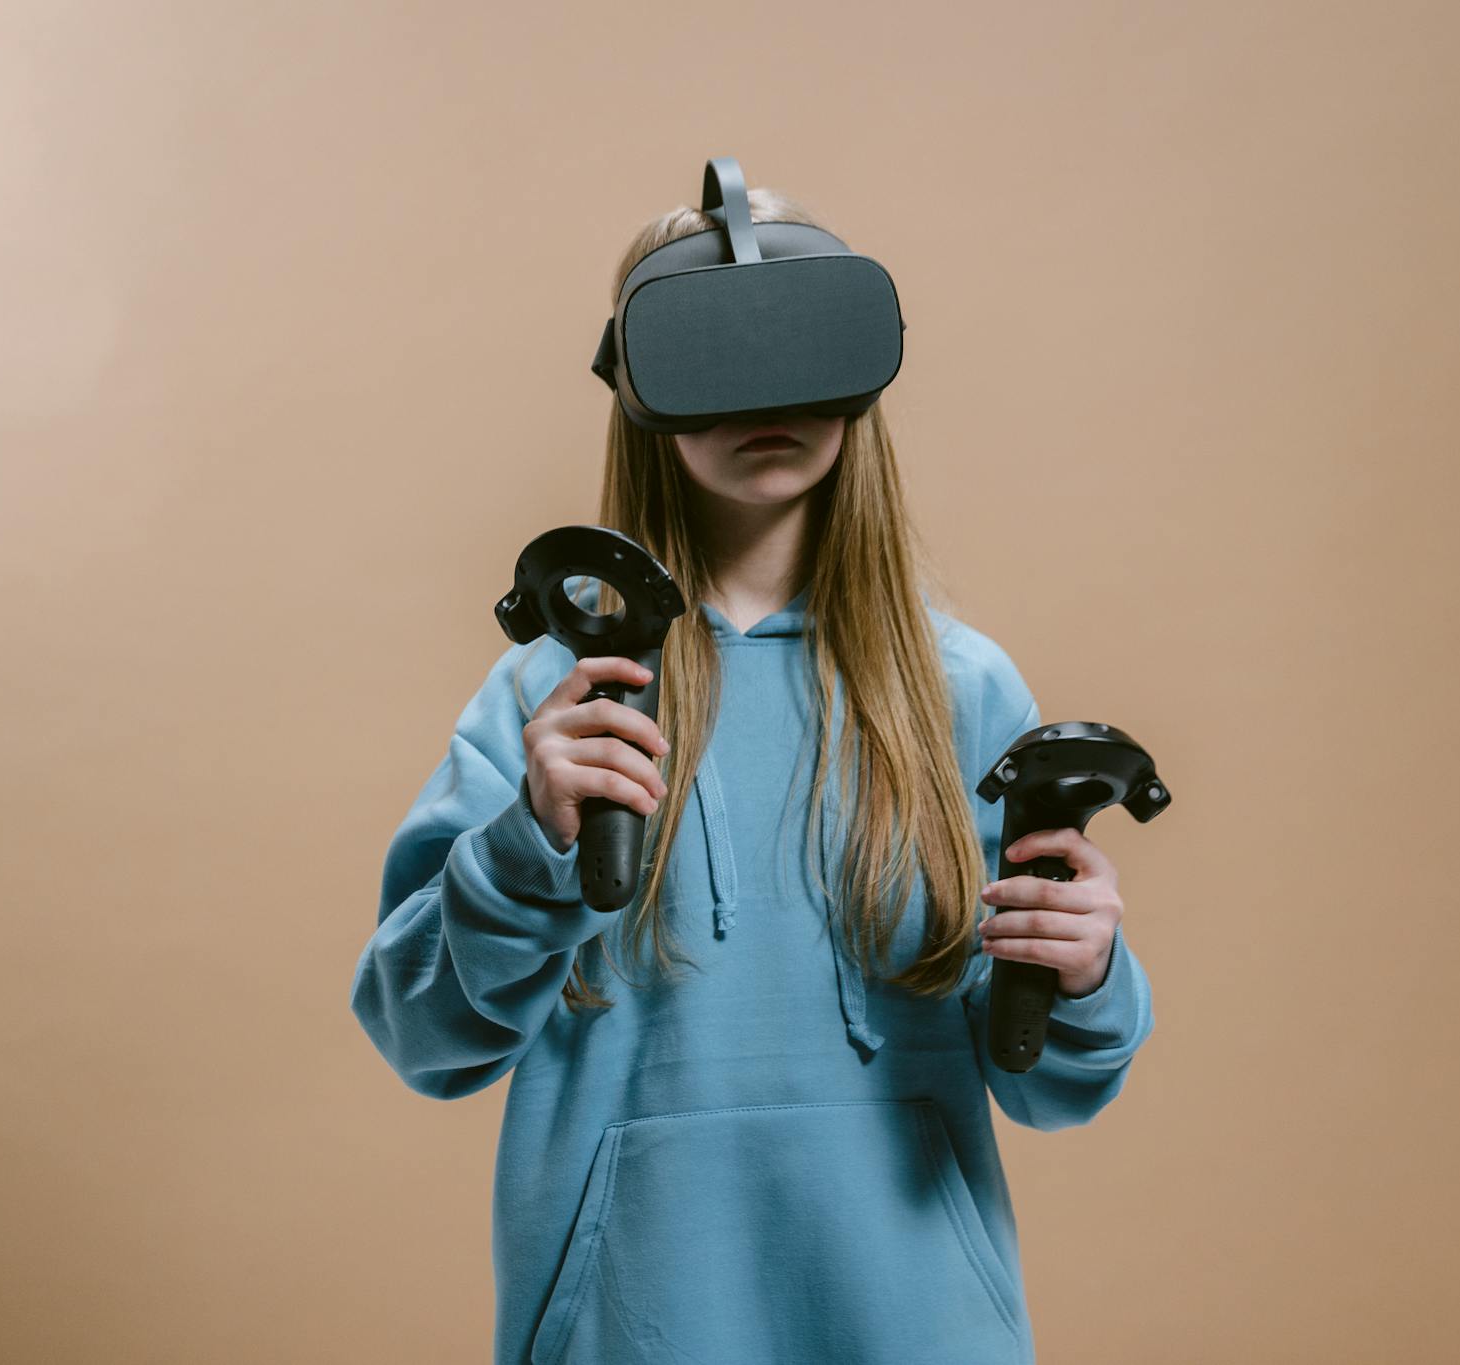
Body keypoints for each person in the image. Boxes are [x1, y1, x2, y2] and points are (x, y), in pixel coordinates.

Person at [349, 184, 1157, 1365]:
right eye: (710, 352)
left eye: (796, 346)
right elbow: (423, 1035)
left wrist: (1081, 975)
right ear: (638, 388)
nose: (762, 395)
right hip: (634, 1323)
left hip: (916, 1320)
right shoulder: (553, 700)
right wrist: (530, 844)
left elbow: (1043, 1082)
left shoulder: (962, 693)